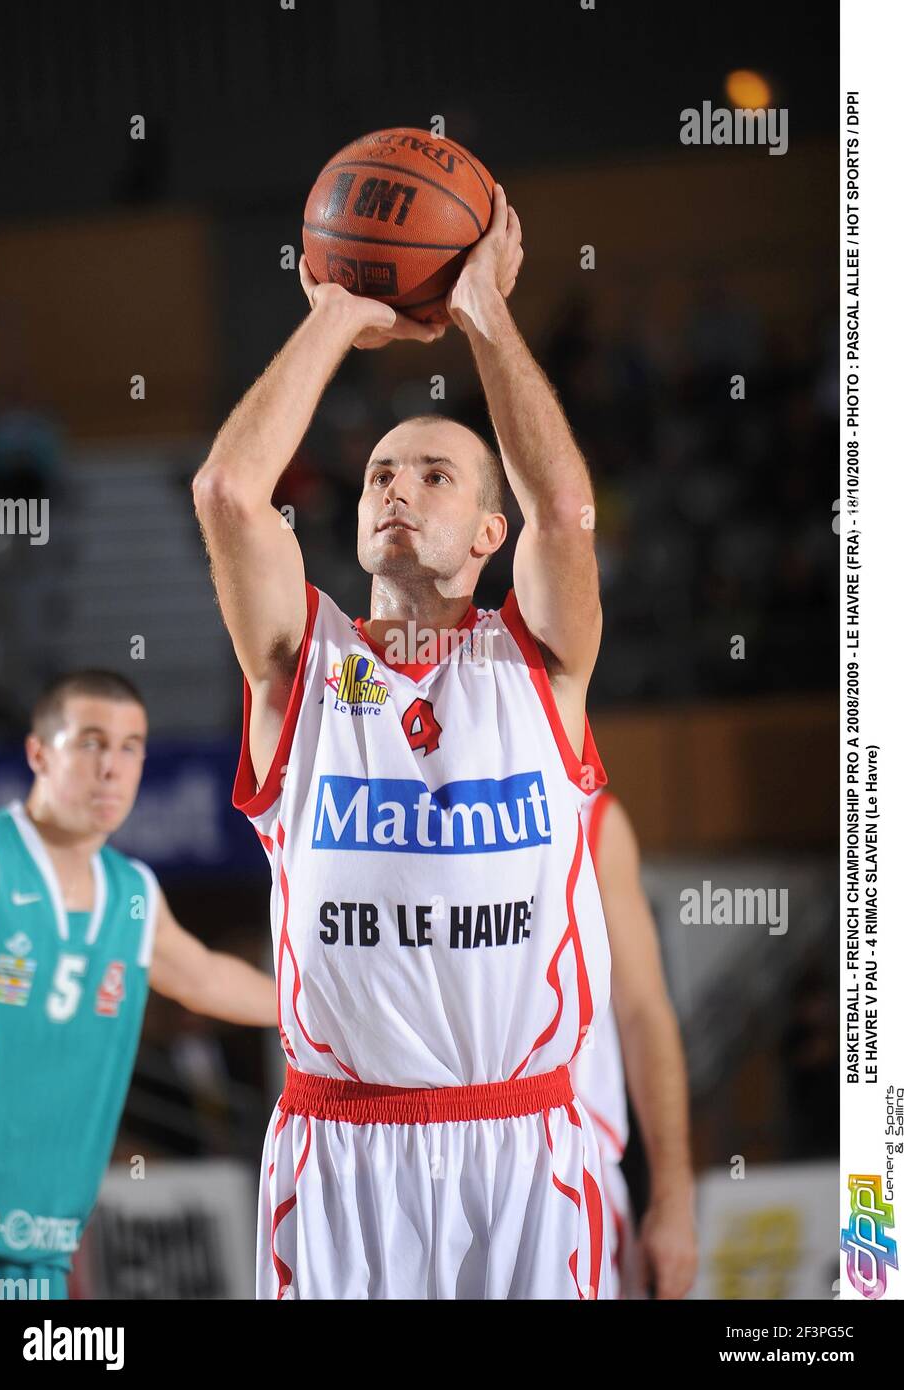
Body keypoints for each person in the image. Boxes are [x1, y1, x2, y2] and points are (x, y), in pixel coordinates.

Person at [193, 183, 619, 1300]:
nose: (397, 488)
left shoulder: (541, 666)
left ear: (490, 532)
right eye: (382, 470)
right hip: (342, 1149)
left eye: (435, 474)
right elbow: (231, 492)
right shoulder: (304, 667)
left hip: (521, 1145)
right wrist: (336, 308)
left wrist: (484, 314)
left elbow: (567, 514)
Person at [0, 669, 277, 1300]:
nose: (111, 767)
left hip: (45, 1251)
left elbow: (204, 978)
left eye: (130, 746)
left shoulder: (132, 891)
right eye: (89, 742)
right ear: (38, 754)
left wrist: (331, 1012)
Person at [569, 789, 698, 1299]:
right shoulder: (372, 804)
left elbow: (645, 1012)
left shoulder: (589, 818)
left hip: (573, 1184)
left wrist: (672, 1198)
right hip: (394, 1167)